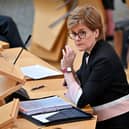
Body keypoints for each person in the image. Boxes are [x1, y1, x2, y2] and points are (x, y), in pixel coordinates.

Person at [60, 5, 129, 129]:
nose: (77, 39)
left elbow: (81, 101)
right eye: (74, 34)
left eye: (82, 33)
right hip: (103, 118)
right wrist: (70, 70)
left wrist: (67, 70)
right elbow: (79, 80)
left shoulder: (103, 59)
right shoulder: (91, 51)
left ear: (96, 32)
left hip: (117, 122)